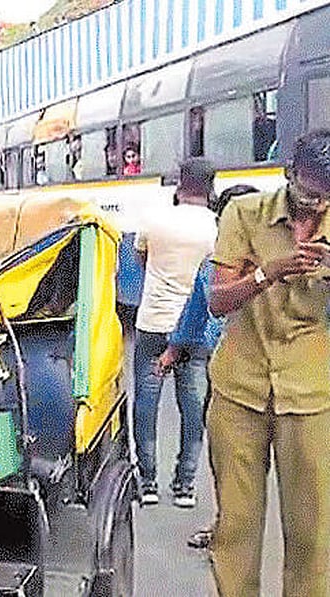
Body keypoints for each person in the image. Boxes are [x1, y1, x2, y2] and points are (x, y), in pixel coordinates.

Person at [207, 130, 330, 596]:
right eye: (309, 193)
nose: (316, 206)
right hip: (240, 388)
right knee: (236, 525)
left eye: (326, 199)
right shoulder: (245, 213)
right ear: (289, 173)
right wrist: (266, 273)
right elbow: (217, 300)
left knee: (314, 533)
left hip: (312, 392)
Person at [149, 184, 261, 548]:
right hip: (226, 371)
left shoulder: (285, 260)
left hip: (278, 376)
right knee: (229, 456)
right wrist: (171, 352)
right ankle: (226, 528)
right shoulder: (213, 265)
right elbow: (196, 313)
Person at [133, 157, 218, 508]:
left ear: (180, 184)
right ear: (212, 188)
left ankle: (148, 483)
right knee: (193, 409)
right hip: (195, 330)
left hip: (153, 324)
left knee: (146, 407)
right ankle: (184, 486)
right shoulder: (216, 227)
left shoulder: (155, 219)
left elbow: (141, 259)